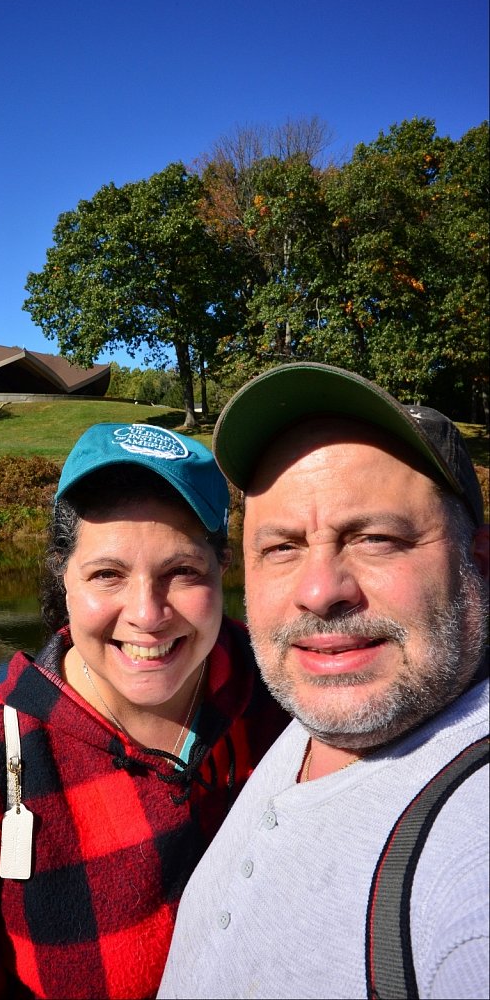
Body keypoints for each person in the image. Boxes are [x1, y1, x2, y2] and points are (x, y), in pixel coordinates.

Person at [0, 422, 288, 999]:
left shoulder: (286, 700)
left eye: (183, 572)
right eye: (107, 575)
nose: (147, 613)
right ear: (63, 580)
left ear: (223, 571)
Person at [159, 363, 489, 1000]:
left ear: (479, 562)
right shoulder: (315, 708)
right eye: (281, 547)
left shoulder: (468, 871)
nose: (318, 593)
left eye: (375, 538)